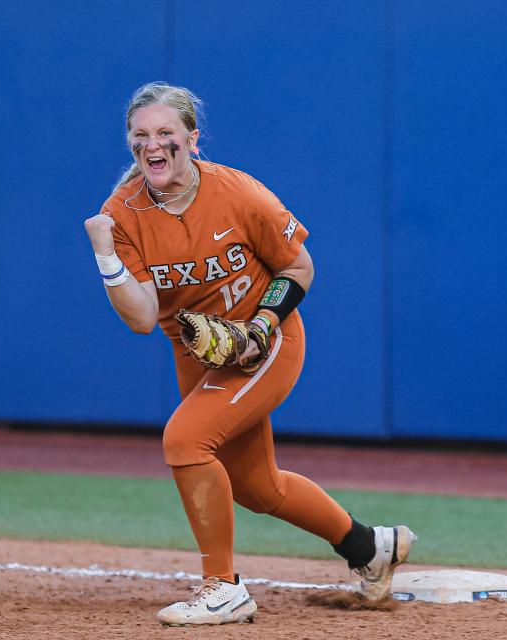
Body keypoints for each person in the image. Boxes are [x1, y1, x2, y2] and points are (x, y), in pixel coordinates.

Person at [84, 82, 416, 626]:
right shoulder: (121, 214)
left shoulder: (237, 193)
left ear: (192, 138)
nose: (154, 145)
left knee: (184, 440)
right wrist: (105, 257)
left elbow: (299, 266)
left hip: (267, 341)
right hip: (198, 355)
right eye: (141, 135)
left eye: (167, 133)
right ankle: (369, 547)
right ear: (130, 144)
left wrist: (262, 324)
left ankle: (224, 587)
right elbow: (142, 316)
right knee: (257, 487)